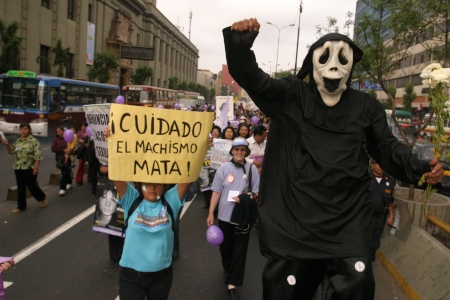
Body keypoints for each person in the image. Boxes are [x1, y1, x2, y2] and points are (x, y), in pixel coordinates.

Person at [224, 18, 444, 300]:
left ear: (351, 65)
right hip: (296, 224)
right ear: (313, 61)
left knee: (357, 284)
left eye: (343, 58)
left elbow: (387, 148)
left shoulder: (366, 107)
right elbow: (253, 79)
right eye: (325, 56)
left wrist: (420, 167)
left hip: (347, 224)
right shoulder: (291, 95)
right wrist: (241, 43)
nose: (334, 65)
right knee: (285, 289)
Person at [206, 137, 260, 300]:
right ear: (232, 151)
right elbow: (216, 191)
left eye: (243, 150)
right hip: (224, 217)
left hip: (242, 217)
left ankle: (232, 284)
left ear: (246, 152)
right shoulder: (223, 168)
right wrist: (210, 213)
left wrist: (245, 197)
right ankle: (227, 269)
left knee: (240, 251)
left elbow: (257, 193)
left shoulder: (252, 170)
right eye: (237, 150)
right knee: (226, 248)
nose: (239, 153)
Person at [1, 123, 48, 213]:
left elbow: (38, 156)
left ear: (29, 130)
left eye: (25, 129)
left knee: (31, 186)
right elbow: (12, 152)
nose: (23, 131)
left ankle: (42, 197)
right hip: (19, 167)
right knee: (21, 187)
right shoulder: (18, 141)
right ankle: (21, 206)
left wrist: (36, 168)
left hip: (30, 167)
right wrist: (6, 144)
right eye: (21, 129)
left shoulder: (34, 141)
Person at [370, 159, 395, 261]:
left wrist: (391, 216)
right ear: (372, 165)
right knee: (364, 241)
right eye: (378, 164)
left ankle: (370, 259)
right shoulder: (365, 178)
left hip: (379, 217)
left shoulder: (389, 180)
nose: (380, 167)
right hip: (365, 216)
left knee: (375, 243)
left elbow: (390, 200)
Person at [51, 126, 73, 196]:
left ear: (63, 131)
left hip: (68, 157)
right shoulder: (55, 139)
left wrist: (70, 150)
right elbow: (53, 149)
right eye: (57, 132)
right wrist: (63, 150)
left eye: (60, 131)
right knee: (64, 171)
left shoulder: (67, 137)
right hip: (60, 158)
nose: (59, 133)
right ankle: (69, 181)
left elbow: (72, 145)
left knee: (65, 172)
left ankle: (62, 188)